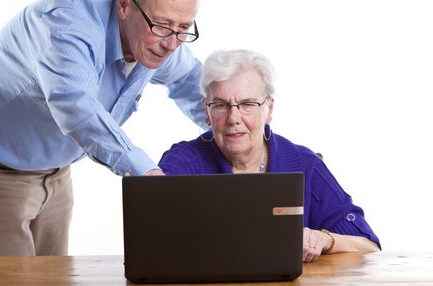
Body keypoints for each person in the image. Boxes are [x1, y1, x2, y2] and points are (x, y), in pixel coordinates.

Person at [0, 0, 206, 256]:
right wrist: (147, 175)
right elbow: (78, 109)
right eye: (162, 26)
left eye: (183, 28)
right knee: (5, 280)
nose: (171, 44)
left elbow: (189, 80)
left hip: (54, 170)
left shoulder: (158, 34)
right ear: (124, 5)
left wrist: (233, 121)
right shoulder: (68, 28)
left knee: (53, 278)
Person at [159, 49, 381, 263]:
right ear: (206, 111)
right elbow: (154, 242)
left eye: (248, 104)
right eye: (220, 105)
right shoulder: (182, 162)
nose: (233, 118)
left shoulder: (305, 164)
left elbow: (369, 246)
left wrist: (325, 239)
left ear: (269, 109)